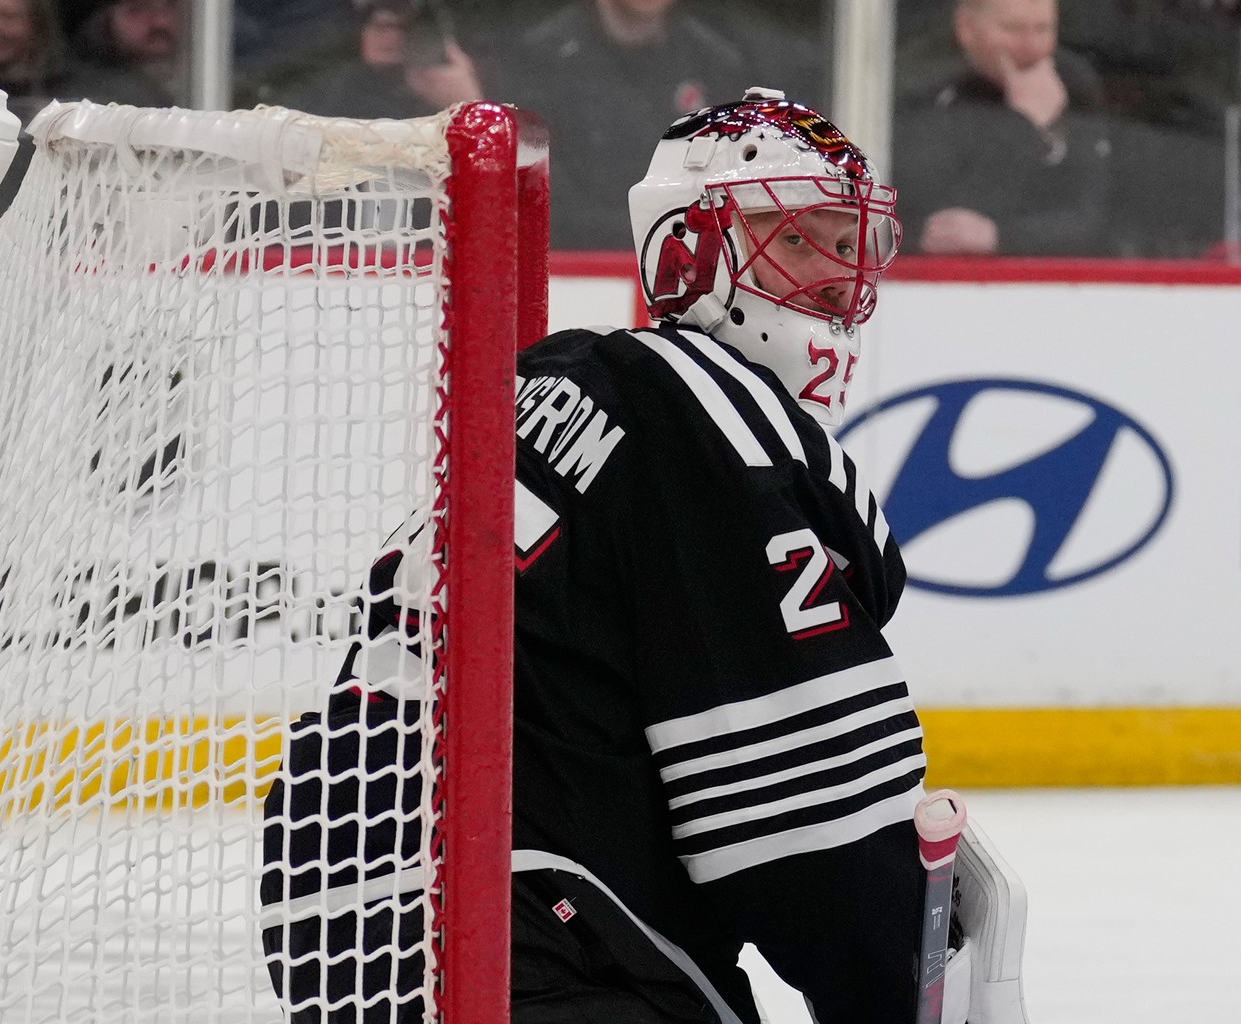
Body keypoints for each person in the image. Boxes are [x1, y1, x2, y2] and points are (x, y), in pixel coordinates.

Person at [260, 89, 1032, 1024]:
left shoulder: (555, 379)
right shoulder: (716, 427)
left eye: (846, 240)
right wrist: (904, 988)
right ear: (689, 252)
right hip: (530, 921)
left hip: (351, 896)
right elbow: (813, 837)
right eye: (795, 239)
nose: (835, 277)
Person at [485, 0, 757, 250]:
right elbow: (538, 194)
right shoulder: (539, 59)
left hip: (686, 262)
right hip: (576, 265)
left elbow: (733, 187)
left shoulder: (715, 61)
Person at [894, 0, 1115, 256]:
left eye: (1043, 29)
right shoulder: (927, 89)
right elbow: (937, 221)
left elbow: (1094, 218)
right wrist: (1024, 125)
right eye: (1013, 29)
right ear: (967, 28)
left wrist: (1003, 236)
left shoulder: (1073, 84)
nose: (1031, 47)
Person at [274, 0, 482, 121]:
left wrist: (470, 107)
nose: (391, 38)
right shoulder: (324, 87)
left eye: (403, 28)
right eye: (382, 26)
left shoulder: (447, 81)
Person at [65, 0, 183, 107]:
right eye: (138, 9)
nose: (161, 22)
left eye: (172, 6)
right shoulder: (86, 100)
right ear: (106, 19)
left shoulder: (196, 82)